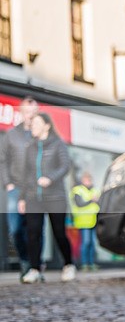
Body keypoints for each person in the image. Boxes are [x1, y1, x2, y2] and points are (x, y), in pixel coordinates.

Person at [18, 113, 75, 283]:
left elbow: (65, 166)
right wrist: (22, 198)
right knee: (33, 233)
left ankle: (68, 265)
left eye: (36, 122)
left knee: (59, 233)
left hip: (55, 197)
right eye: (32, 123)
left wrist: (50, 178)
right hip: (33, 197)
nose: (33, 125)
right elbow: (26, 175)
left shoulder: (58, 144)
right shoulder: (30, 147)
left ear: (47, 125)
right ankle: (35, 269)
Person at [0, 97, 39, 279]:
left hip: (35, 190)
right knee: (15, 229)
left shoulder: (39, 134)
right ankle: (25, 260)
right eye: (28, 112)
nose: (31, 116)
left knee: (35, 229)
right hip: (15, 188)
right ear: (22, 113)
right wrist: (7, 183)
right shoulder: (11, 134)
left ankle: (35, 267)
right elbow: (3, 160)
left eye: (34, 112)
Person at [71, 172, 100, 271]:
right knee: (85, 242)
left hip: (93, 220)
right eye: (86, 180)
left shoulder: (95, 190)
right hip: (83, 221)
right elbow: (79, 204)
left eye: (89, 180)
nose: (88, 182)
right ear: (82, 180)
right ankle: (84, 264)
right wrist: (91, 200)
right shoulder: (78, 190)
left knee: (92, 243)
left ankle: (91, 263)